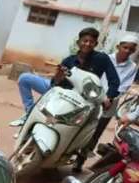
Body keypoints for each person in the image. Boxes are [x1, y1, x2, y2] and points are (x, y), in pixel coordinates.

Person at [10, 27, 120, 129]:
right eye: (85, 41)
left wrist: (109, 98)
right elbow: (55, 83)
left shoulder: (101, 58)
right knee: (25, 78)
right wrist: (58, 77)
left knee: (88, 123)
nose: (87, 44)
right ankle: (29, 113)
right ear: (78, 42)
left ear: (95, 44)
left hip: (82, 98)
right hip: (61, 92)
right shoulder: (69, 60)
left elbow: (114, 80)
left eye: (91, 42)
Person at [73, 33, 138, 171]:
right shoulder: (104, 58)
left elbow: (124, 86)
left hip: (109, 104)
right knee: (77, 126)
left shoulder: (132, 67)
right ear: (118, 46)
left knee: (95, 133)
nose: (127, 51)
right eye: (125, 47)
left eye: (131, 50)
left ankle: (79, 161)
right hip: (91, 97)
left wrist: (109, 97)